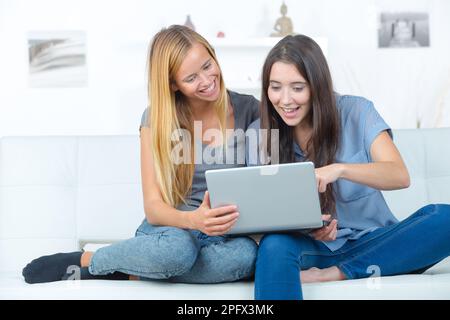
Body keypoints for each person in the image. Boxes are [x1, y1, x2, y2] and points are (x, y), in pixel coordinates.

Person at [22, 25, 259, 284]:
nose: (206, 80)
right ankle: (89, 259)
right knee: (177, 252)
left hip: (226, 236)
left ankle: (130, 268)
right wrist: (194, 220)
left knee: (245, 256)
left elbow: (263, 185)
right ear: (173, 84)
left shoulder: (251, 111)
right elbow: (154, 208)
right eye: (191, 78)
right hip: (171, 232)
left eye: (207, 65)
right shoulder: (156, 118)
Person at [248, 34, 450, 300]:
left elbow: (398, 175)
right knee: (274, 244)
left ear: (317, 86)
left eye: (297, 87)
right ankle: (339, 267)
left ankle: (339, 272)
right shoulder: (259, 135)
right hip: (313, 248)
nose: (285, 100)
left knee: (443, 218)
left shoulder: (357, 112)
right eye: (275, 87)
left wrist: (339, 169)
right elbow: (260, 218)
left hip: (375, 243)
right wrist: (307, 229)